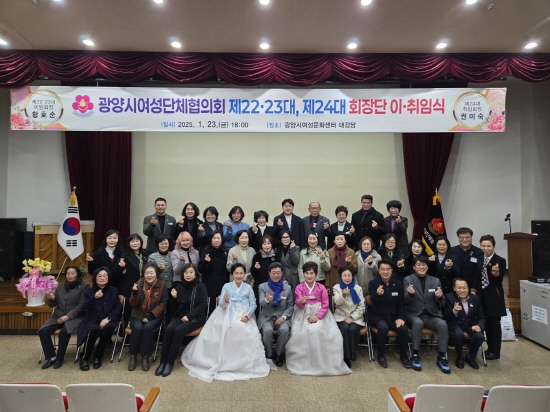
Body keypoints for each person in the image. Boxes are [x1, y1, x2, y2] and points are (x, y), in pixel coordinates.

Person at [181, 263, 270, 383]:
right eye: (236, 273)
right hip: (227, 313)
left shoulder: (248, 287)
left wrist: (247, 316)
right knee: (222, 328)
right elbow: (222, 305)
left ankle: (241, 362)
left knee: (242, 329)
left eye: (241, 273)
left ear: (244, 274)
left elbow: (253, 304)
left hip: (243, 314)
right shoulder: (226, 286)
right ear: (232, 274)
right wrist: (225, 300)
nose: (239, 276)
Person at [285, 262, 351, 376]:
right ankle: (304, 362)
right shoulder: (299, 287)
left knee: (324, 332)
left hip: (320, 313)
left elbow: (325, 304)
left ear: (316, 274)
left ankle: (321, 362)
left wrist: (318, 316)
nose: (309, 276)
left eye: (312, 273)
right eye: (307, 273)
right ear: (303, 274)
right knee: (301, 333)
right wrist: (301, 302)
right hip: (303, 313)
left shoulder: (321, 287)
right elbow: (298, 303)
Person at [155, 263, 208, 377]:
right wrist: (174, 298)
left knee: (179, 330)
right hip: (180, 316)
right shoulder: (179, 286)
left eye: (191, 272)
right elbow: (173, 307)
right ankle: (162, 361)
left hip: (196, 317)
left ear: (195, 274)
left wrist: (189, 316)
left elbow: (203, 305)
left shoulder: (200, 286)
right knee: (169, 329)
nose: (188, 275)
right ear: (183, 274)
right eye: (186, 272)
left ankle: (170, 362)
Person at [403, 256, 450, 374]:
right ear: (414, 267)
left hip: (431, 315)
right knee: (418, 323)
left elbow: (442, 301)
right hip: (414, 314)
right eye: (418, 265)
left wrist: (440, 297)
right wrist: (410, 294)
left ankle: (442, 356)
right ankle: (415, 354)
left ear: (427, 267)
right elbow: (404, 301)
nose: (421, 267)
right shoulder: (408, 280)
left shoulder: (435, 281)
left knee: (442, 325)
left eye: (424, 265)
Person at [39, 266, 89, 369]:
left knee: (64, 332)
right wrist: (52, 299)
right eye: (68, 274)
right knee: (43, 331)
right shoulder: (60, 286)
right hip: (58, 316)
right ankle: (51, 357)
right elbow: (52, 305)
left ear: (78, 274)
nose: (70, 276)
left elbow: (82, 305)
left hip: (75, 317)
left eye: (73, 273)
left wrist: (68, 316)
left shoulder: (84, 286)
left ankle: (59, 358)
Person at [368, 259, 411, 368]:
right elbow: (372, 301)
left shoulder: (398, 284)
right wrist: (377, 294)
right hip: (378, 316)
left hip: (394, 317)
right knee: (383, 328)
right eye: (383, 269)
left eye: (388, 269)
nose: (385, 272)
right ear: (379, 271)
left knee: (403, 329)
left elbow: (401, 303)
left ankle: (404, 356)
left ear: (392, 271)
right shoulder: (373, 283)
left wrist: (401, 318)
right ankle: (381, 355)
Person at [77, 267, 122, 371]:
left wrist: (108, 318)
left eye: (105, 276)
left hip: (108, 319)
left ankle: (98, 355)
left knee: (108, 328)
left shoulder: (113, 291)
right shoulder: (89, 291)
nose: (102, 278)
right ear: (95, 278)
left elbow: (118, 307)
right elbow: (86, 307)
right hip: (92, 319)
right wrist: (95, 297)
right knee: (94, 330)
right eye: (99, 276)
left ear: (108, 278)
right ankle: (85, 357)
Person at [127, 262, 168, 372]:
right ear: (143, 274)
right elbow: (133, 304)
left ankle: (145, 357)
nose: (149, 275)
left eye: (151, 273)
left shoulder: (162, 284)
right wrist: (135, 294)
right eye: (147, 273)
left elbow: (163, 304)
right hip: (137, 314)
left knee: (148, 328)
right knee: (138, 328)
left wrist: (150, 317)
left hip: (155, 316)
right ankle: (133, 356)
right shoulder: (138, 284)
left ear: (156, 273)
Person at [473, 234, 506, 360]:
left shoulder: (500, 260)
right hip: (481, 296)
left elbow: (499, 278)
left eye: (488, 246)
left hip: (494, 297)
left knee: (494, 325)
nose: (486, 248)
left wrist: (495, 273)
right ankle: (489, 348)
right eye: (483, 246)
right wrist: (473, 290)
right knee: (485, 322)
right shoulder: (480, 258)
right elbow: (477, 276)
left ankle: (495, 351)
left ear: (494, 246)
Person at [258, 262, 294, 367]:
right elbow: (261, 302)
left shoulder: (287, 288)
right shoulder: (262, 286)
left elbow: (290, 306)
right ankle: (269, 354)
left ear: (282, 273)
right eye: (273, 273)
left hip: (282, 316)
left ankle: (278, 354)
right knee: (267, 331)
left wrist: (283, 317)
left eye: (278, 273)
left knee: (284, 330)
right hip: (267, 317)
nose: (276, 275)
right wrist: (266, 300)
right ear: (269, 273)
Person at [444, 278, 485, 369]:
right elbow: (447, 316)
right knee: (458, 334)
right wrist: (454, 310)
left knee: (480, 336)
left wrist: (479, 326)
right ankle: (459, 357)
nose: (462, 290)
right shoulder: (449, 297)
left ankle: (471, 357)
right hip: (456, 323)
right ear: (454, 288)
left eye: (464, 288)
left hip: (471, 324)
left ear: (468, 288)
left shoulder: (475, 298)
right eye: (459, 288)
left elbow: (481, 316)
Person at [333, 266, 365, 369]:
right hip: (341, 316)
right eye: (344, 275)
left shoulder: (358, 288)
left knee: (352, 329)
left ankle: (350, 355)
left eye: (349, 275)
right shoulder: (337, 287)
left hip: (355, 318)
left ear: (352, 276)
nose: (347, 278)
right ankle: (345, 357)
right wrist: (343, 294)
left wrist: (352, 317)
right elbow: (337, 302)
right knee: (344, 328)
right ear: (341, 276)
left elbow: (361, 307)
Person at [114, 233, 148, 328]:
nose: (135, 243)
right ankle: (126, 331)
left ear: (141, 242)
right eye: (132, 241)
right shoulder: (124, 255)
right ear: (128, 243)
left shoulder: (146, 255)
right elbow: (115, 272)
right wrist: (120, 267)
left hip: (145, 287)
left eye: (137, 241)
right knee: (129, 312)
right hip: (129, 288)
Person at [199, 230, 229, 315]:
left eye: (218, 238)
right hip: (210, 283)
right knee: (211, 306)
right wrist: (207, 262)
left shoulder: (226, 251)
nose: (216, 240)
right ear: (211, 239)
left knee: (222, 305)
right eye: (214, 238)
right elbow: (200, 269)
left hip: (223, 281)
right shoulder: (206, 251)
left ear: (221, 239)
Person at [250, 235, 278, 314]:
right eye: (264, 244)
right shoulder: (257, 256)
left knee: (273, 303)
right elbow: (253, 273)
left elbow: (280, 270)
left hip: (273, 284)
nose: (266, 246)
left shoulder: (276, 256)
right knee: (259, 305)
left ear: (271, 244)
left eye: (268, 243)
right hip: (260, 285)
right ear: (261, 245)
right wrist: (256, 268)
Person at [450, 227, 484, 292]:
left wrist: (474, 287)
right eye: (461, 237)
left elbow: (479, 272)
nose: (464, 240)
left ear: (471, 238)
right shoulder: (452, 251)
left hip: (472, 285)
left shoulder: (479, 252)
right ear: (458, 238)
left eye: (467, 237)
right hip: (456, 285)